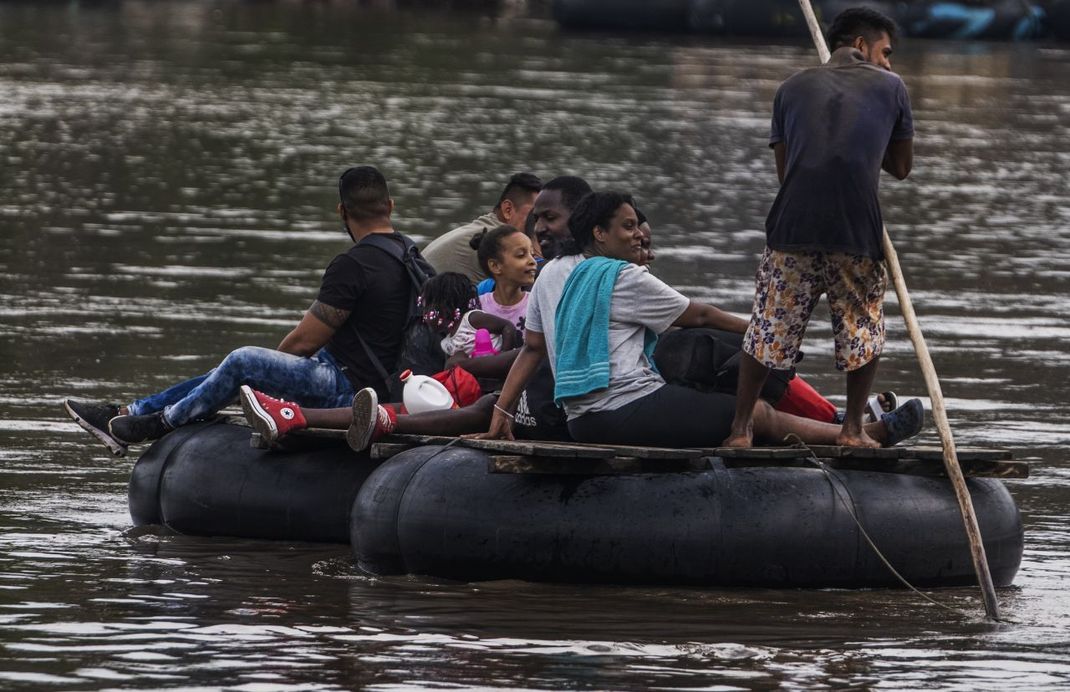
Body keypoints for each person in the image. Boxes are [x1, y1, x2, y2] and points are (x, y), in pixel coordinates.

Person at [482, 191, 924, 448]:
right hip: (624, 409)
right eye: (628, 227)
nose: (638, 235)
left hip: (581, 418)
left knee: (697, 388)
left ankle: (844, 425)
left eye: (638, 227)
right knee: (756, 413)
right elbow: (701, 315)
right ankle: (864, 433)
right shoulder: (622, 276)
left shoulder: (552, 273)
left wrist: (503, 410)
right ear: (598, 233)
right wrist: (763, 334)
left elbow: (534, 348)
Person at [63, 166, 424, 455]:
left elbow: (302, 343)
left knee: (244, 363)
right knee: (231, 372)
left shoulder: (354, 264)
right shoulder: (410, 255)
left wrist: (268, 381)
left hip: (349, 388)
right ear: (389, 206)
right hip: (384, 382)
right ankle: (131, 413)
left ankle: (160, 424)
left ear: (342, 212)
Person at [725, 7, 915, 449]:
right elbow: (902, 167)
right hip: (855, 229)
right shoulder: (892, 87)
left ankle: (739, 430)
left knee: (768, 327)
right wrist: (871, 137)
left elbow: (785, 171)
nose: (888, 63)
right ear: (862, 46)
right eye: (885, 52)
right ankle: (851, 429)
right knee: (862, 330)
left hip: (792, 225)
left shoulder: (791, 87)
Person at [421, 172, 542, 282]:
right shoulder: (497, 240)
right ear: (508, 210)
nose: (540, 225)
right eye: (534, 216)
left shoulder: (480, 229)